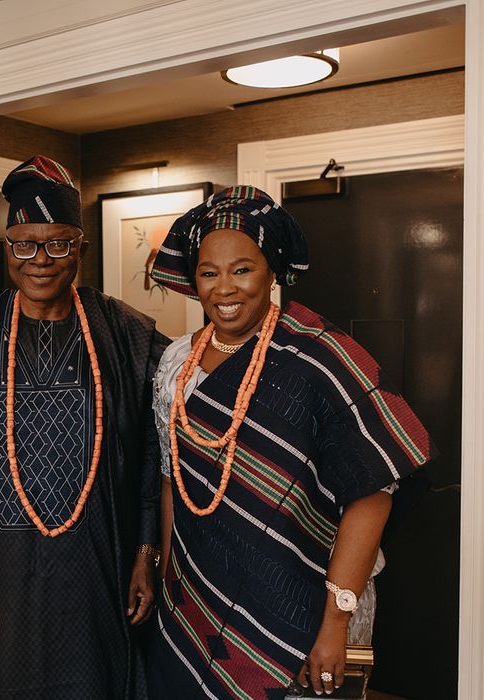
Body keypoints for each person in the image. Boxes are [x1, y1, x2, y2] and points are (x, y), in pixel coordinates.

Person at [0, 156, 169, 699]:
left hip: (96, 571)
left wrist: (145, 550)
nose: (41, 260)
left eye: (59, 243)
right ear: (8, 246)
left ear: (81, 249)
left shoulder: (124, 334)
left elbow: (156, 451)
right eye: (25, 244)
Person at [145, 186, 434, 700]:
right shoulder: (174, 363)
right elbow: (174, 481)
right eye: (209, 272)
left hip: (312, 602)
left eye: (242, 269)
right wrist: (171, 580)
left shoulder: (321, 358)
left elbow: (371, 495)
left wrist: (335, 622)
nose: (224, 288)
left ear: (272, 271)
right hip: (201, 597)